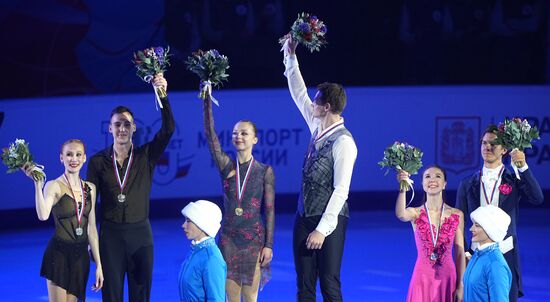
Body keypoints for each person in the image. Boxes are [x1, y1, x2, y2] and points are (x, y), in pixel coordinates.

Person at [281, 36, 358, 301]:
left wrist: (322, 229)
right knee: (304, 286)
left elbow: (341, 190)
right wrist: (290, 56)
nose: (311, 104)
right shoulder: (318, 128)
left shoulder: (344, 142)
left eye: (316, 102)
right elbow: (298, 93)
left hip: (331, 220)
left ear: (326, 107)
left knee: (328, 283)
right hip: (304, 216)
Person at [86, 74, 175, 302]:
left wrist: (162, 94)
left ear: (134, 128)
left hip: (140, 235)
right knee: (112, 295)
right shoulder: (97, 162)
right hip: (110, 237)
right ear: (110, 129)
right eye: (117, 124)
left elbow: (168, 129)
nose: (122, 129)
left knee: (141, 295)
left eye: (127, 124)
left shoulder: (146, 156)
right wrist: (91, 241)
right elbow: (89, 206)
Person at [456, 125, 544, 302]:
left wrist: (523, 167)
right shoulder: (467, 183)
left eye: (493, 144)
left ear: (504, 149)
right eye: (484, 143)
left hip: (505, 253)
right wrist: (464, 253)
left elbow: (537, 198)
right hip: (476, 255)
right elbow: (458, 223)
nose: (487, 147)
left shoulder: (513, 180)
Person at [202, 94, 275, 302]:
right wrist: (207, 99)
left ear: (255, 139)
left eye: (244, 133)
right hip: (229, 239)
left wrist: (268, 244)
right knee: (231, 298)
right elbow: (210, 135)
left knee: (249, 299)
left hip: (253, 239)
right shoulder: (226, 167)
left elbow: (269, 210)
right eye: (235, 133)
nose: (239, 136)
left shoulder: (264, 171)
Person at [23, 139, 103, 301]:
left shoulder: (90, 188)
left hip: (81, 257)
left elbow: (92, 229)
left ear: (84, 158)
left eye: (78, 154)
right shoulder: (54, 186)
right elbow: (43, 215)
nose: (74, 159)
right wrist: (38, 186)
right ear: (61, 158)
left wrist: (99, 265)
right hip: (58, 256)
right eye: (69, 154)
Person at [396, 166, 465, 302]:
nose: (432, 179)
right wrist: (403, 187)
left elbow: (460, 253)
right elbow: (400, 214)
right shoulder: (415, 213)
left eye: (437, 176)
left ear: (445, 184)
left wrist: (461, 285)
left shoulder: (457, 215)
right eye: (427, 176)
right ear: (422, 184)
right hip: (422, 278)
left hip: (448, 278)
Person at [178, 200, 227, 302]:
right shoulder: (196, 251)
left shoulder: (211, 258)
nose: (183, 225)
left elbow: (216, 299)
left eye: (188, 221)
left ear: (201, 224)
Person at [463, 205, 512, 301]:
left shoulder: (495, 264)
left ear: (490, 230)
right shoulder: (477, 255)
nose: (471, 229)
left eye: (477, 225)